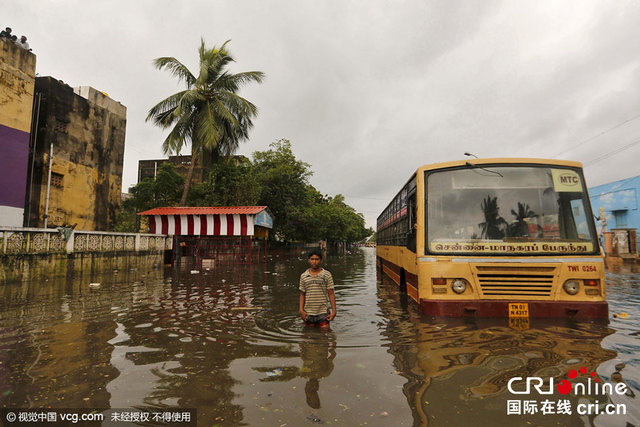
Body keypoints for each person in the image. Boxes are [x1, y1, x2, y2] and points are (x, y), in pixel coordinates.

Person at [299, 251, 336, 328]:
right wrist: (301, 310)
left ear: (321, 260)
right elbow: (302, 294)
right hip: (308, 312)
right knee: (308, 335)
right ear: (309, 260)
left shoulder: (326, 275)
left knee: (325, 335)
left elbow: (331, 293)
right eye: (312, 259)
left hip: (323, 312)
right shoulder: (304, 276)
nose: (314, 262)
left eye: (317, 259)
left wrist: (334, 311)